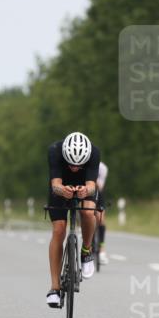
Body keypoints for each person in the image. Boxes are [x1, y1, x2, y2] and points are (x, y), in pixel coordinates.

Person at [45, 131, 100, 308]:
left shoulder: (94, 153)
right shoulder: (54, 150)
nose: (75, 168)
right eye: (71, 164)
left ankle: (86, 250)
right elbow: (55, 184)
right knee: (59, 230)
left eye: (79, 165)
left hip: (84, 187)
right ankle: (54, 288)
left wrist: (86, 191)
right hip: (61, 187)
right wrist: (63, 191)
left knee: (88, 211)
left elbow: (92, 185)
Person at [95, 161, 109, 265]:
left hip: (97, 193)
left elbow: (100, 186)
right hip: (84, 192)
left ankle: (102, 249)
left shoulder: (102, 168)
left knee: (101, 220)